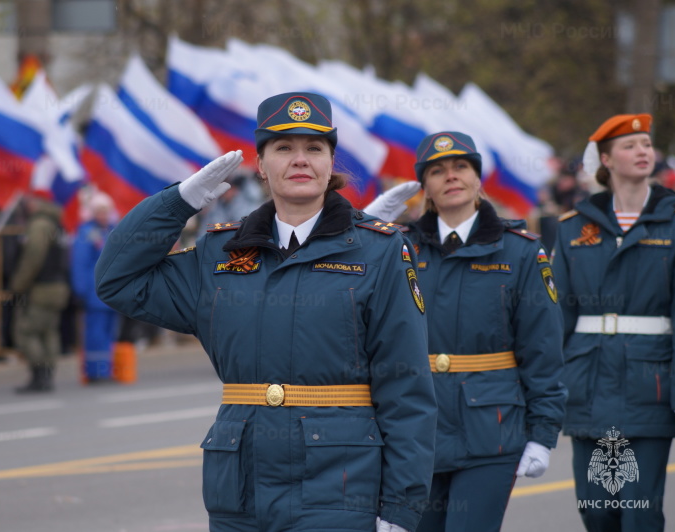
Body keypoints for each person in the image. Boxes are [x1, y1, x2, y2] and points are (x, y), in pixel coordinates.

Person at [96, 92, 437, 532]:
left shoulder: (380, 252)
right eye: (283, 148)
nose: (300, 160)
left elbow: (406, 384)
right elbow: (117, 280)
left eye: (314, 148)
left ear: (332, 162)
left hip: (339, 486)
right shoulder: (221, 253)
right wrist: (178, 202)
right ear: (260, 164)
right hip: (240, 490)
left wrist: (401, 505)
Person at [365, 131, 567, 532]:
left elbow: (542, 348)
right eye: (437, 171)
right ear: (424, 186)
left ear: (478, 179)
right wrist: (365, 230)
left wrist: (543, 433)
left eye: (461, 167)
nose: (451, 176)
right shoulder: (398, 248)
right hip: (415, 429)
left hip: (491, 427)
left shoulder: (521, 252)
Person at [550, 114, 675, 532]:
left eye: (647, 143)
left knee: (640, 514)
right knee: (597, 510)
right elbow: (557, 317)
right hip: (588, 381)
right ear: (606, 159)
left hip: (651, 383)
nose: (643, 151)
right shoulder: (573, 228)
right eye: (630, 146)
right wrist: (545, 389)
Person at [10, 193, 71, 393]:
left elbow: (32, 259)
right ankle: (47, 376)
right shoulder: (56, 224)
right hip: (58, 287)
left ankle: (39, 376)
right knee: (49, 332)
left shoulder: (39, 225)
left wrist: (18, 285)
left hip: (42, 288)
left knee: (27, 332)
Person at [71, 191, 119, 383]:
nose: (103, 215)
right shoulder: (86, 232)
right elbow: (79, 263)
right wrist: (80, 290)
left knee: (109, 333)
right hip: (94, 293)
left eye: (106, 211)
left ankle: (106, 370)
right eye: (100, 211)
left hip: (112, 293)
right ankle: (95, 372)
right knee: (95, 334)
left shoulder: (113, 231)